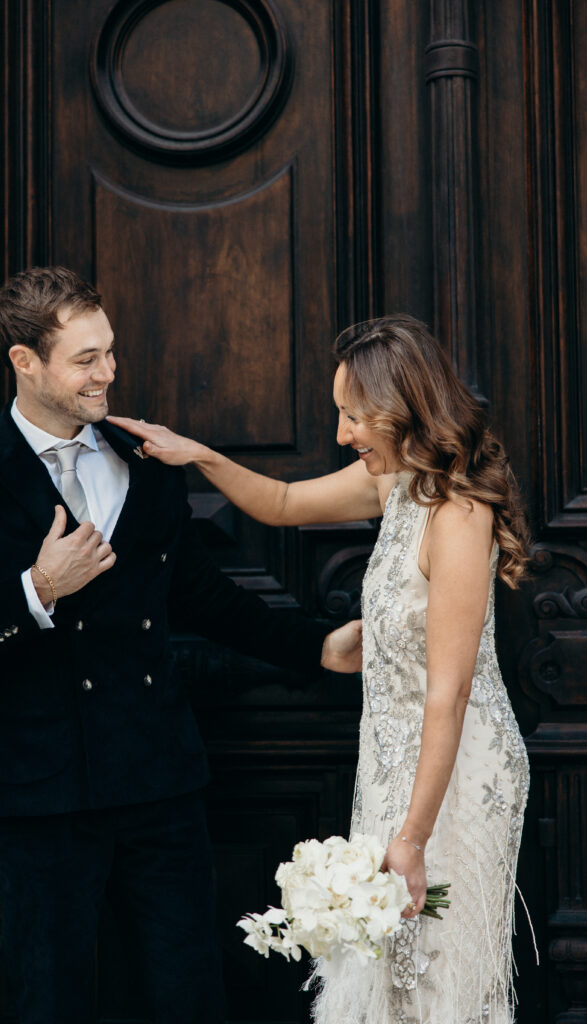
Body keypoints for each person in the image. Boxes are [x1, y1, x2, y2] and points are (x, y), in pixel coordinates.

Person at [0, 266, 364, 1024]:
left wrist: (315, 647)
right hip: (39, 796)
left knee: (188, 998)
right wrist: (36, 590)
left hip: (159, 780)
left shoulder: (146, 462)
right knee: (51, 1004)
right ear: (25, 362)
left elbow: (204, 598)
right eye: (85, 359)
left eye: (109, 352)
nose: (107, 373)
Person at [107, 313, 531, 1024]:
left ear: (402, 410)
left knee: (433, 971)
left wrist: (411, 838)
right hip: (390, 754)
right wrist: (196, 455)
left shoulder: (458, 513)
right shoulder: (394, 481)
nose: (341, 435)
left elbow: (450, 693)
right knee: (385, 966)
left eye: (354, 417)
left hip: (453, 770)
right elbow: (279, 503)